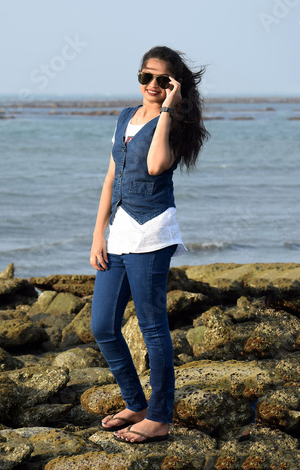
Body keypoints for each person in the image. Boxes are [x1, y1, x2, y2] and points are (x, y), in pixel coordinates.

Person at [90, 45, 209, 444]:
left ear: (174, 85)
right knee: (103, 325)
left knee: (152, 327)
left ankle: (159, 417)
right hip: (119, 234)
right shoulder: (124, 116)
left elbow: (156, 166)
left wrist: (166, 111)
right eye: (147, 77)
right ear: (139, 77)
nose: (153, 85)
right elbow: (111, 178)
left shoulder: (174, 125)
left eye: (163, 80)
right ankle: (135, 403)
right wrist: (97, 234)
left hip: (152, 234)